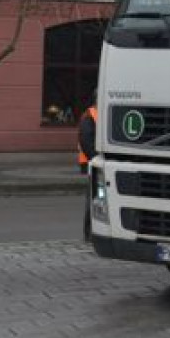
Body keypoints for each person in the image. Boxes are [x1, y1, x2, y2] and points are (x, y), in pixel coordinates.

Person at [78, 92, 98, 242]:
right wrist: (95, 158)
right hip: (92, 163)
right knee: (94, 197)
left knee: (98, 197)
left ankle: (93, 233)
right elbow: (85, 141)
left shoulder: (97, 114)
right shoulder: (89, 116)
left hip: (95, 162)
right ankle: (89, 233)